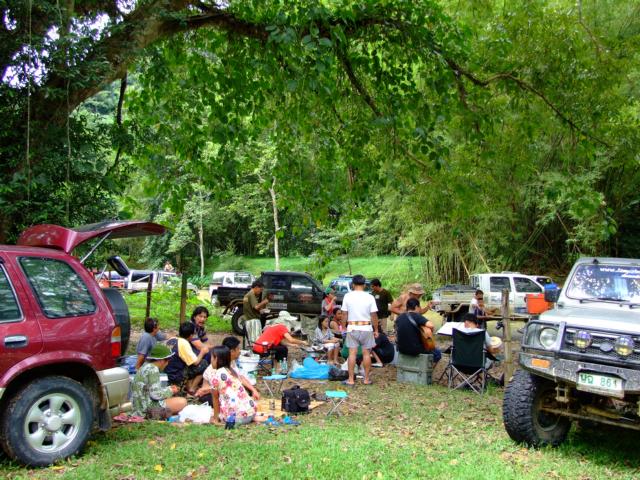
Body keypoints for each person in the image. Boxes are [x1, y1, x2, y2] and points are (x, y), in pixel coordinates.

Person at [197, 346, 258, 425]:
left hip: (238, 418)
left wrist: (216, 418)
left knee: (211, 416)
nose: (210, 360)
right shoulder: (231, 370)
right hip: (252, 412)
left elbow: (215, 399)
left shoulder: (215, 376)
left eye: (211, 357)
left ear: (216, 359)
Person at [341, 274, 379, 386]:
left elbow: (344, 314)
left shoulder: (347, 296)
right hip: (366, 327)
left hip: (352, 327)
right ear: (364, 285)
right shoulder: (370, 297)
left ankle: (351, 380)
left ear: (353, 284)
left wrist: (343, 327)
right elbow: (374, 315)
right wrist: (376, 329)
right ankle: (366, 379)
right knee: (366, 354)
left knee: (352, 354)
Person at [131, 344, 187, 419]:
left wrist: (168, 388)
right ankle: (159, 417)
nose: (167, 363)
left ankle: (167, 416)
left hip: (138, 408)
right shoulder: (153, 369)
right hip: (147, 411)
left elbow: (151, 390)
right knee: (182, 402)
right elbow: (156, 395)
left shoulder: (144, 366)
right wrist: (171, 391)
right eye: (167, 360)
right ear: (161, 360)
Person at [165, 322, 210, 393]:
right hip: (176, 375)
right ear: (191, 335)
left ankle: (188, 387)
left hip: (167, 371)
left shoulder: (172, 339)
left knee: (188, 363)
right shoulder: (184, 343)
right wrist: (202, 352)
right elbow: (195, 362)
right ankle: (192, 388)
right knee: (203, 364)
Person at [396, 297, 441, 363]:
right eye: (419, 307)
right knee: (437, 353)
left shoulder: (399, 317)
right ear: (416, 307)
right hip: (415, 350)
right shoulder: (417, 316)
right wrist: (429, 334)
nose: (420, 309)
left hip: (401, 349)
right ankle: (427, 367)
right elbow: (431, 325)